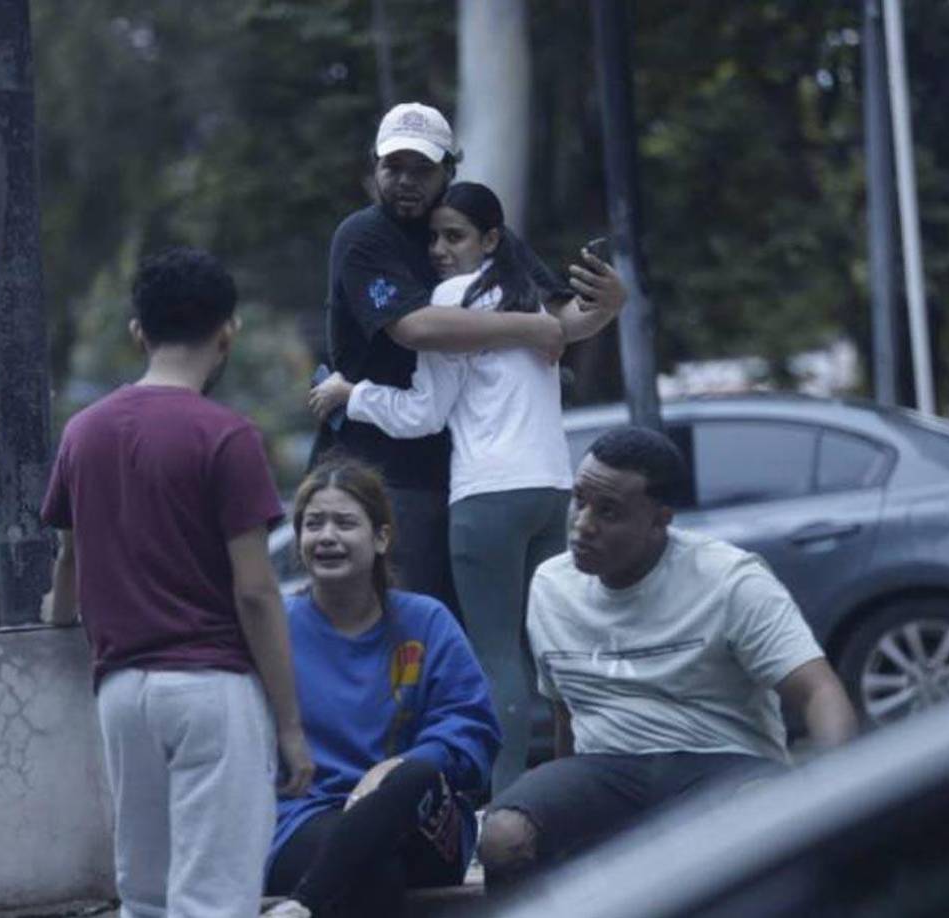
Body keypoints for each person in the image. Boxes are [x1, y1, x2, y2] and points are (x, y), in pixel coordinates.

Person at [309, 181, 622, 793]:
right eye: (434, 238)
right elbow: (574, 322)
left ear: (491, 240)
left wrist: (353, 394)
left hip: (486, 498)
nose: (438, 250)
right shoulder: (531, 301)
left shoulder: (454, 299)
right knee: (552, 647)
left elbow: (424, 413)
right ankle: (577, 782)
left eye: (454, 236)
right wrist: (614, 303)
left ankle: (504, 798)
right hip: (552, 489)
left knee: (496, 655)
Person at [40, 246, 314, 918]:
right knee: (214, 900)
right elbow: (254, 591)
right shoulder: (227, 436)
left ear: (139, 331)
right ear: (229, 331)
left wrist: (57, 626)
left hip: (121, 694)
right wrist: (290, 725)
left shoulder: (83, 433)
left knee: (145, 898)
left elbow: (67, 569)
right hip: (211, 690)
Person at [477, 427, 859, 885]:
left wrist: (838, 793)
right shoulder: (551, 585)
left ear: (660, 520)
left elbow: (819, 691)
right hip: (606, 769)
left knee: (758, 815)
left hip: (723, 763)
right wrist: (562, 800)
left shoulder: (729, 579)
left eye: (609, 512)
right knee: (503, 836)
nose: (582, 525)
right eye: (579, 500)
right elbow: (568, 711)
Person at [311, 101, 625, 613]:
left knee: (486, 636)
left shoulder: (480, 229)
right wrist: (529, 327)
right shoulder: (364, 236)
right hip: (379, 474)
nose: (406, 181)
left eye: (422, 169)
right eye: (394, 167)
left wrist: (607, 308)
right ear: (374, 168)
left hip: (465, 474)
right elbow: (416, 328)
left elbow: (560, 317)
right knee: (402, 627)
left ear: (450, 169)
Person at [264, 458, 501, 918]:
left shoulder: (426, 621)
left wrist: (391, 772)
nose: (327, 536)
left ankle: (303, 907)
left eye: (345, 523)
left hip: (421, 821)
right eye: (314, 524)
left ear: (381, 538)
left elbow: (474, 731)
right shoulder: (275, 630)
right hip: (309, 819)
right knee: (375, 870)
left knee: (410, 775)